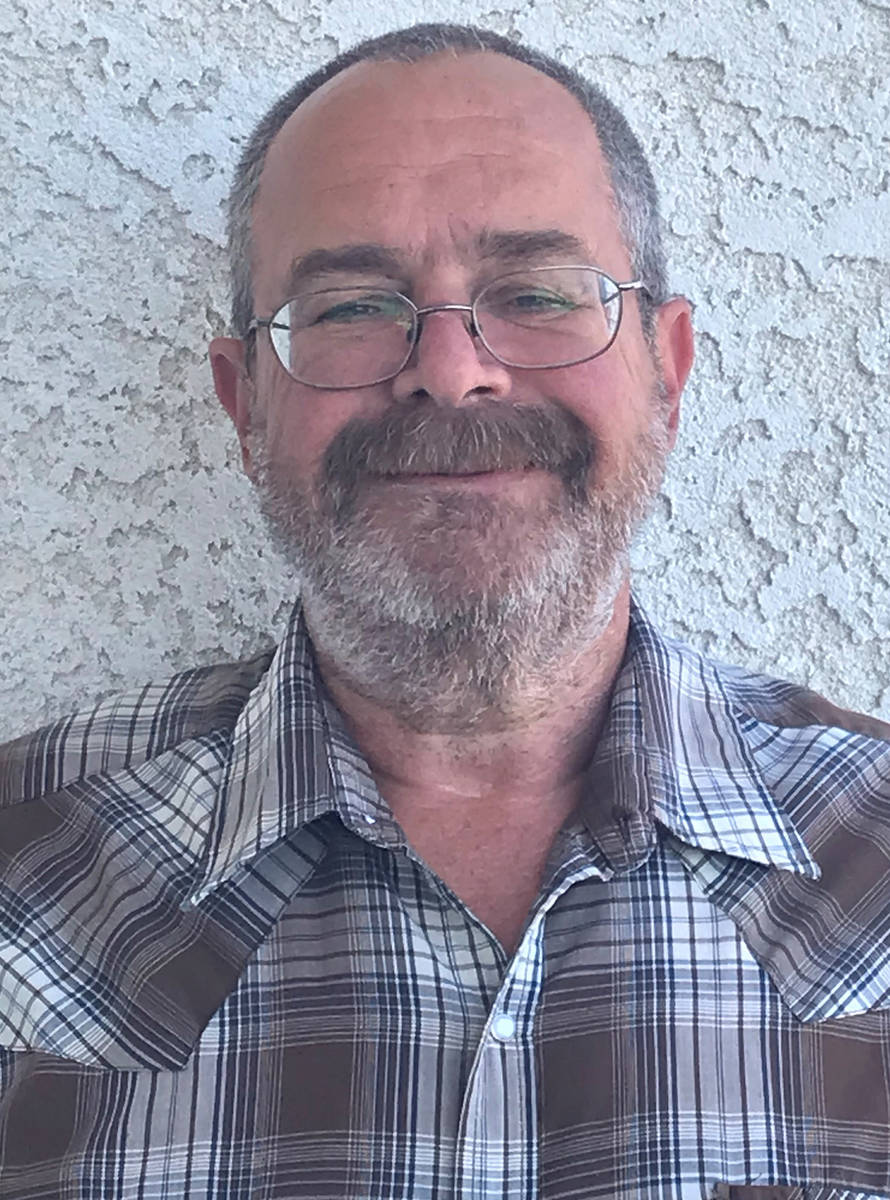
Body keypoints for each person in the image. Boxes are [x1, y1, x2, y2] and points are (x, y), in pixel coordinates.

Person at [1, 21, 889, 1200]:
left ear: (666, 371)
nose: (451, 369)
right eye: (349, 307)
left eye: (534, 292)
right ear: (243, 401)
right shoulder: (25, 870)